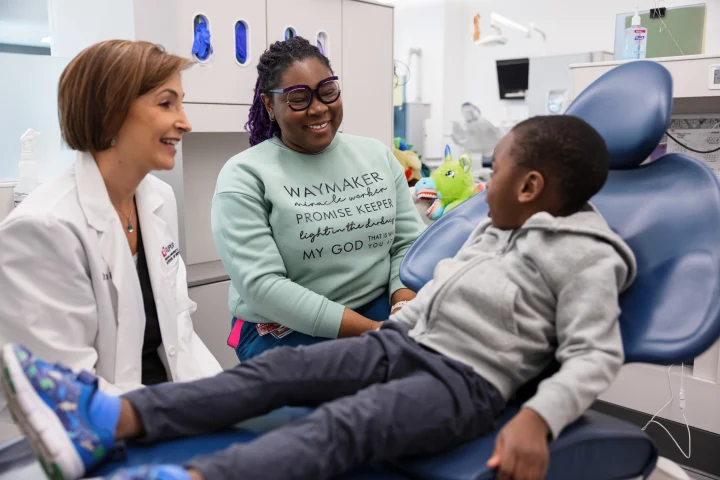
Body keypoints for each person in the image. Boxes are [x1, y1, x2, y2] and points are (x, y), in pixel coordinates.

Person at [1, 115, 637, 480]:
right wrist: (403, 321)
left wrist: (537, 418)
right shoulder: (492, 226)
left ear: (529, 185)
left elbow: (592, 357)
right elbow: (441, 288)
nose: (484, 180)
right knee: (280, 371)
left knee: (346, 426)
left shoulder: (586, 255)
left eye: (493, 168)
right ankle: (112, 420)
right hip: (403, 343)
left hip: (465, 384)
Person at [0, 40, 222, 397]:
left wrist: (225, 398)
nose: (185, 123)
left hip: (171, 406)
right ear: (110, 113)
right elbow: (66, 392)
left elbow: (180, 333)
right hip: (107, 433)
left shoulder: (158, 199)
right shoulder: (42, 228)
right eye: (167, 104)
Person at [212, 36, 425, 361]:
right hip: (287, 330)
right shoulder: (244, 175)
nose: (318, 108)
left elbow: (407, 243)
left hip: (382, 311)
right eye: (299, 99)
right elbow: (263, 286)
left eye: (328, 92)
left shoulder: (376, 155)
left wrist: (402, 308)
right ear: (270, 104)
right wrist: (374, 333)